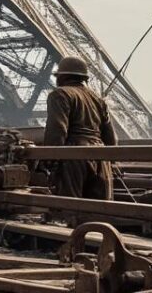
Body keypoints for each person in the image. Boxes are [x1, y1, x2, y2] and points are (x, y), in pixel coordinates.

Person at [44, 56, 117, 200]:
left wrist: (49, 159)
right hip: (100, 155)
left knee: (69, 206)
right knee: (100, 208)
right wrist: (111, 161)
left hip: (73, 155)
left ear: (63, 77)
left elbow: (57, 131)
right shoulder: (98, 99)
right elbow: (110, 137)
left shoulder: (60, 94)